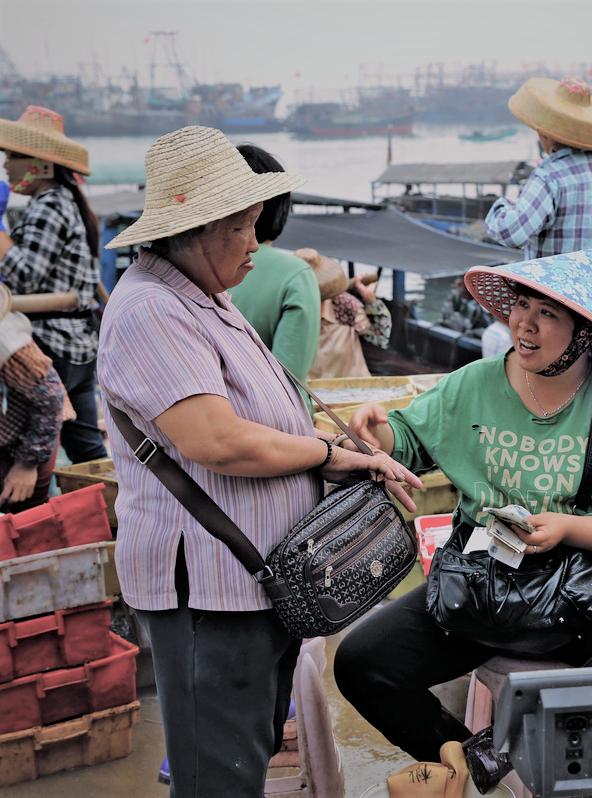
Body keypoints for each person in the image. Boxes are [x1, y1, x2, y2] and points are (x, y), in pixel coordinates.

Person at [97, 125, 422, 798]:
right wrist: (329, 454)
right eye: (245, 227)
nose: (256, 243)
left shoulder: (203, 296)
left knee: (246, 754)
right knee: (220, 776)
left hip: (249, 584)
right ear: (201, 228)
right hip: (209, 591)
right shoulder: (151, 309)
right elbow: (218, 441)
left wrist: (331, 458)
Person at [334, 249, 592, 793]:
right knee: (360, 661)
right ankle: (471, 755)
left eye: (547, 314)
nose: (524, 324)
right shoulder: (475, 383)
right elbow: (407, 442)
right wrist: (376, 434)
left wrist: (568, 529)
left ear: (583, 333)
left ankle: (545, 746)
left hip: (579, 594)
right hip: (479, 587)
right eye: (521, 306)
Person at [485, 77, 592, 328]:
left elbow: (511, 232)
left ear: (547, 133)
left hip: (559, 331)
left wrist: (499, 206)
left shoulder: (550, 176)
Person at [0, 105, 107, 463]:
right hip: (80, 347)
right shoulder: (69, 201)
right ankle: (105, 514)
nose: (5, 164)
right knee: (87, 449)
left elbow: (25, 276)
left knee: (25, 454)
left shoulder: (48, 204)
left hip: (51, 346)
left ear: (41, 165)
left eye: (13, 156)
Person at [227, 144, 321, 380]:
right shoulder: (295, 275)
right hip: (266, 416)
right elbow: (289, 381)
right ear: (280, 208)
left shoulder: (189, 274)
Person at [0, 286, 65, 511]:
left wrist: (26, 464)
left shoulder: (6, 340)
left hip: (24, 445)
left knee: (27, 526)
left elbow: (50, 398)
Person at [297, 248, 393, 379]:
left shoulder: (344, 304)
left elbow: (380, 338)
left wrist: (372, 302)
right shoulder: (289, 308)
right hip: (309, 389)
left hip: (349, 385)